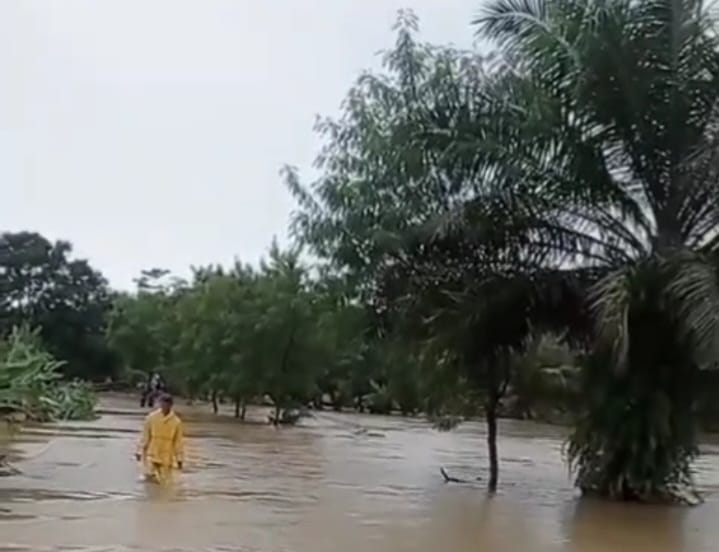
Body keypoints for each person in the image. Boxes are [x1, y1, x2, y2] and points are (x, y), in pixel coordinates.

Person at [135, 393, 184, 484]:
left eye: (166, 404)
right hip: (152, 451)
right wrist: (139, 451)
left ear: (170, 405)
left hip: (167, 454)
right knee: (149, 477)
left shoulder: (176, 422)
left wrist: (179, 459)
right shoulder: (151, 418)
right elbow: (145, 436)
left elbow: (178, 442)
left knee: (164, 482)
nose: (164, 406)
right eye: (162, 404)